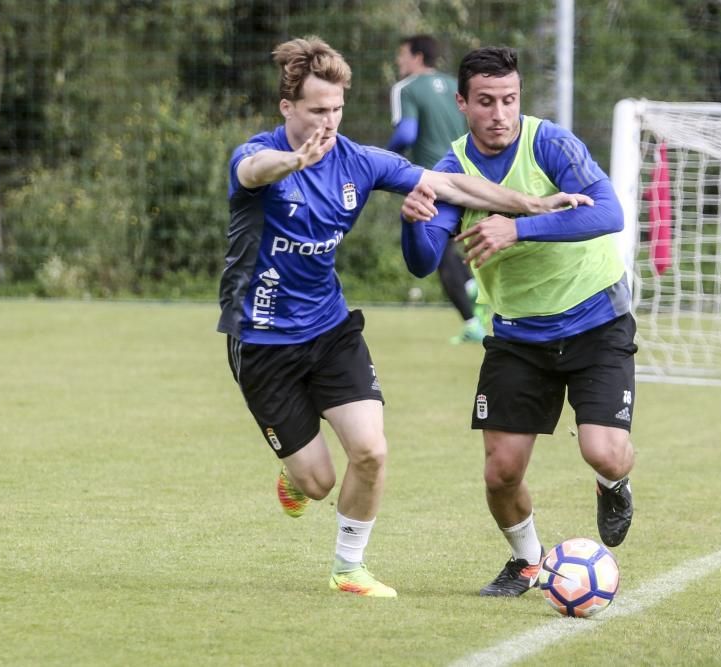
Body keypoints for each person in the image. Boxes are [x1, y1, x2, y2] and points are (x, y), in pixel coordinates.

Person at [218, 36, 583, 599]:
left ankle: (349, 568)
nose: (329, 121)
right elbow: (255, 172)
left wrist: (535, 204)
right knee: (317, 482)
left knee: (371, 450)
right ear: (287, 108)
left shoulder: (359, 161)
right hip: (262, 341)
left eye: (337, 109)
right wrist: (294, 160)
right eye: (317, 110)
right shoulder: (258, 155)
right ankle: (294, 475)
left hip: (330, 330)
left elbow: (451, 183)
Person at [400, 46, 637, 597]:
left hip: (596, 318)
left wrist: (518, 227)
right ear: (462, 103)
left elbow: (608, 213)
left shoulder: (549, 142)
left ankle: (613, 484)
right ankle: (528, 562)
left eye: (509, 100)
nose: (500, 114)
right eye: (485, 102)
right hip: (518, 334)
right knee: (500, 472)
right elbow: (423, 259)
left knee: (602, 450)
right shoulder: (451, 171)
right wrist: (414, 221)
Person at [388, 35, 488, 344]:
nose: (399, 62)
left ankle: (473, 321)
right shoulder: (454, 87)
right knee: (454, 247)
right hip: (469, 175)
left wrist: (384, 161)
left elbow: (407, 132)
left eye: (402, 55)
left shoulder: (406, 88)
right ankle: (474, 287)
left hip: (432, 181)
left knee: (437, 255)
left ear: (417, 57)